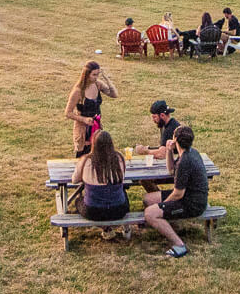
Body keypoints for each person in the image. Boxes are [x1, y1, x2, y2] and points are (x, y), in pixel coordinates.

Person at [143, 124, 207, 258]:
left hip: (192, 204)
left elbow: (178, 194)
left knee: (150, 213)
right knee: (147, 199)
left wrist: (163, 206)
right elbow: (171, 170)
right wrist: (169, 151)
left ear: (176, 139)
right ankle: (166, 224)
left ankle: (179, 245)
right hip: (191, 196)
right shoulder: (190, 152)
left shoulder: (186, 161)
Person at [71, 130, 132, 228]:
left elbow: (74, 180)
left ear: (93, 144)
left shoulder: (86, 160)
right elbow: (122, 177)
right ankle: (123, 229)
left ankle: (106, 229)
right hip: (118, 210)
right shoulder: (119, 158)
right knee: (123, 194)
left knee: (78, 201)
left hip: (94, 211)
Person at [67, 59, 117, 156]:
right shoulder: (78, 91)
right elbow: (68, 113)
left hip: (96, 126)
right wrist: (84, 119)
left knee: (98, 156)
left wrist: (107, 80)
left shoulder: (98, 84)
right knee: (84, 156)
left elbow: (114, 95)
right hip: (83, 130)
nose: (96, 77)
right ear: (86, 74)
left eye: (97, 74)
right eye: (94, 75)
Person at [132, 98, 181, 169]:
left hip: (176, 166)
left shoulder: (171, 129)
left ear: (162, 115)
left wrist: (145, 151)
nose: (153, 120)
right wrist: (147, 148)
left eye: (154, 117)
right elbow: (163, 147)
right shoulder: (166, 125)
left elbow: (163, 154)